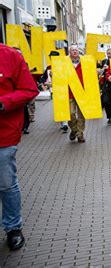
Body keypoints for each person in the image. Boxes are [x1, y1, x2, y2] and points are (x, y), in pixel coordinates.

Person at [0, 44, 39, 250]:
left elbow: (29, 89)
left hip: (2, 134)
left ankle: (13, 227)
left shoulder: (10, 55)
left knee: (6, 183)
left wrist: (3, 102)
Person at [67, 45, 86, 143]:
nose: (75, 51)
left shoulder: (85, 62)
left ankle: (80, 134)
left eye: (76, 50)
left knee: (81, 115)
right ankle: (74, 130)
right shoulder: (64, 63)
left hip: (82, 92)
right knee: (70, 114)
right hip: (69, 92)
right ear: (69, 52)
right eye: (72, 50)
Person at [99, 48, 111, 125]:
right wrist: (103, 69)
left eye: (109, 53)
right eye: (107, 53)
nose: (108, 55)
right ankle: (110, 116)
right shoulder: (104, 61)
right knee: (105, 101)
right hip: (106, 84)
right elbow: (100, 72)